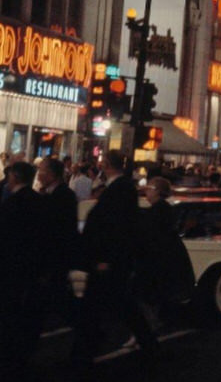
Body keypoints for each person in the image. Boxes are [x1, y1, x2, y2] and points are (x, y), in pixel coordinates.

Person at [72, 150, 156, 373]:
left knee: (97, 309)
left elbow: (115, 228)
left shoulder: (120, 190)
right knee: (120, 307)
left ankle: (85, 354)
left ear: (107, 164)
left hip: (108, 260)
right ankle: (147, 346)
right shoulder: (121, 189)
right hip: (110, 259)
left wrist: (104, 258)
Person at [0, 161, 43, 381]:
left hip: (10, 266)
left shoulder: (11, 203)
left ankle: (7, 355)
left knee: (8, 312)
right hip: (30, 267)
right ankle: (19, 355)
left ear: (15, 177)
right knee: (22, 313)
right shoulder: (38, 202)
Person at [135, 177, 195, 331]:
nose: (146, 191)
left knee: (145, 294)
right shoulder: (165, 209)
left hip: (156, 259)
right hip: (164, 257)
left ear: (157, 191)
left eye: (149, 188)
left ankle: (148, 327)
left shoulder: (157, 211)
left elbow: (151, 236)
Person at [36, 158, 80, 328]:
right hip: (52, 251)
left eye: (42, 171)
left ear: (52, 174)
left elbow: (59, 226)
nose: (39, 175)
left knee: (55, 287)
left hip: (57, 251)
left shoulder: (63, 195)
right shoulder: (50, 193)